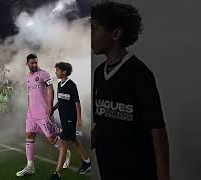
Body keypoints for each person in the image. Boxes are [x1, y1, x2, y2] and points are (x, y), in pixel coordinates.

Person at [92, 2, 170, 180]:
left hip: (137, 169)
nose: (90, 35)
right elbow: (103, 122)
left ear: (116, 34)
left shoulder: (139, 73)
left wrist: (164, 176)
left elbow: (157, 129)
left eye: (94, 28)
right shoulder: (99, 73)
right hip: (108, 168)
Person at [16, 54, 71, 177]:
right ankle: (30, 166)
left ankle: (65, 152)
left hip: (43, 113)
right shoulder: (27, 78)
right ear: (27, 64)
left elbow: (50, 90)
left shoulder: (44, 74)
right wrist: (29, 109)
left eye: (36, 62)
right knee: (29, 136)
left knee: (51, 139)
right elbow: (30, 95)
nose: (35, 65)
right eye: (32, 63)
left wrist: (50, 107)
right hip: (31, 114)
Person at [49, 62, 91, 180]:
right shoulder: (59, 84)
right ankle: (87, 162)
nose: (56, 72)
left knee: (63, 144)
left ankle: (57, 173)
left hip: (70, 119)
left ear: (64, 72)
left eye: (57, 70)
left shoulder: (71, 85)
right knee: (74, 140)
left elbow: (77, 103)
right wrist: (53, 108)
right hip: (64, 118)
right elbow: (60, 100)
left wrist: (79, 119)